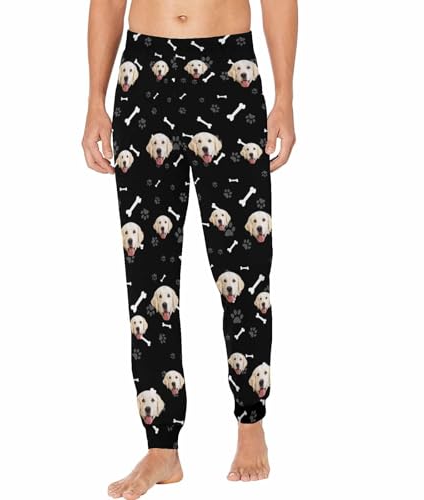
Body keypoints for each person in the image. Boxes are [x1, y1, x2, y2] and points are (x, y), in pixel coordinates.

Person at [82, 1, 297, 498]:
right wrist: (95, 98)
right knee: (147, 273)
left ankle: (250, 422)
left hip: (229, 68)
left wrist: (284, 96)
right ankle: (162, 447)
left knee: (244, 263)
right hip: (143, 76)